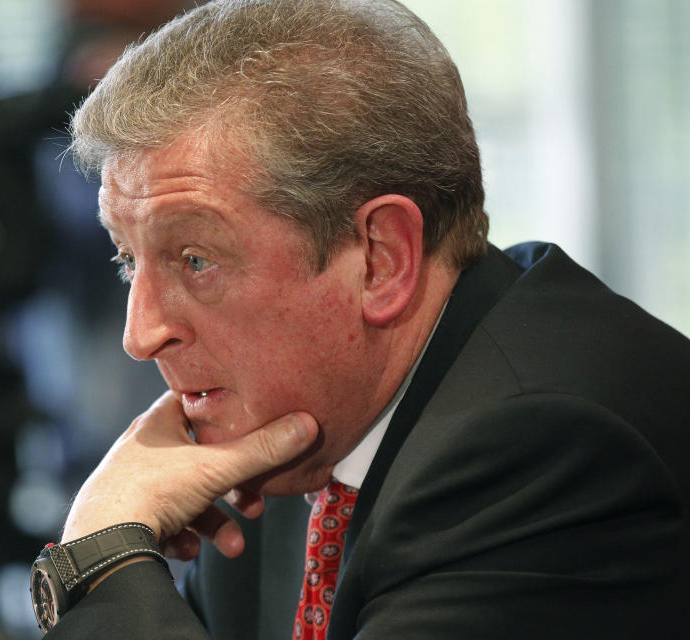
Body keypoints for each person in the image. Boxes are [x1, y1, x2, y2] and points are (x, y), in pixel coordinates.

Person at [34, 0, 690, 637]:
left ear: (381, 258)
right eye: (128, 261)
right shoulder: (285, 432)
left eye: (196, 259)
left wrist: (103, 554)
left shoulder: (546, 450)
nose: (140, 334)